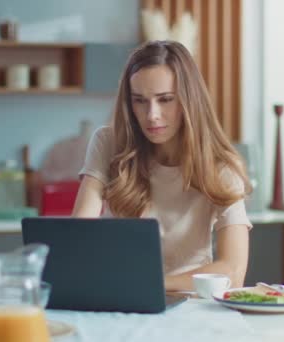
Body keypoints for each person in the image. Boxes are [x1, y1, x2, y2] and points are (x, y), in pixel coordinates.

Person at [72, 40, 252, 292]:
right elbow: (79, 233)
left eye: (165, 99)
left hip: (190, 303)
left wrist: (149, 283)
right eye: (139, 101)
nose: (151, 115)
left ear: (189, 100)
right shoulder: (108, 142)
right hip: (120, 297)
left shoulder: (221, 167)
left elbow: (233, 272)